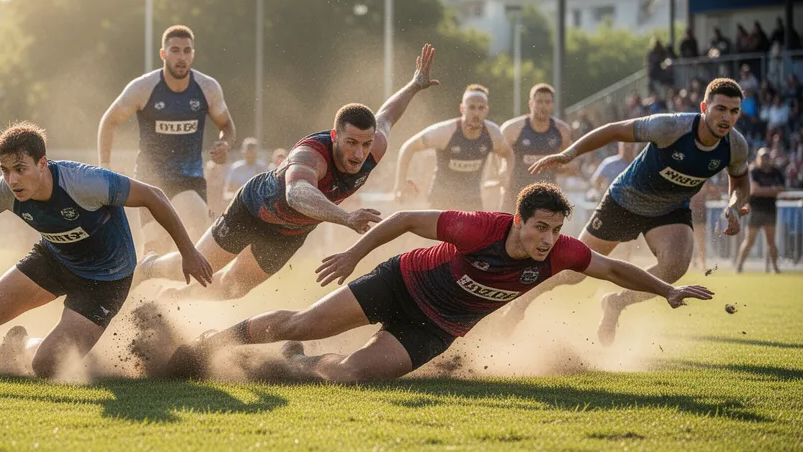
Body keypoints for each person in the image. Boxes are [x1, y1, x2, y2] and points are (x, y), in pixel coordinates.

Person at [173, 183, 712, 382]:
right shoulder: (480, 227)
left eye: (555, 230)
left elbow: (615, 269)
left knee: (352, 376)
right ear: (519, 220)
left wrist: (667, 289)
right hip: (401, 284)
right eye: (540, 227)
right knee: (303, 321)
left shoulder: (563, 253)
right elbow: (407, 219)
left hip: (439, 326)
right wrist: (354, 254)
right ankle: (206, 349)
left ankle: (288, 364)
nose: (548, 238)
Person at [0, 122, 211, 378]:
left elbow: (153, 196)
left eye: (20, 168)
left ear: (42, 164)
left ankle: (17, 346)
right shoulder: (6, 191)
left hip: (107, 282)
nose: (12, 179)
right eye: (4, 170)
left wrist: (188, 252)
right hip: (56, 259)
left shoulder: (84, 182)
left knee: (47, 366)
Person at [133, 44, 440, 302]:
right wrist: (345, 217)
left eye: (365, 143)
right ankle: (149, 266)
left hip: (288, 233)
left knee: (230, 289)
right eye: (351, 143)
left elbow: (386, 114)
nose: (359, 153)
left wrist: (414, 85)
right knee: (198, 268)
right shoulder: (311, 155)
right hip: (253, 209)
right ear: (335, 137)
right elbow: (297, 194)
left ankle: (169, 304)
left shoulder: (375, 145)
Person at [497, 78, 750, 344]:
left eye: (734, 111)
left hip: (670, 209)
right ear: (704, 107)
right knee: (571, 272)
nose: (727, 118)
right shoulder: (670, 126)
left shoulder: (736, 145)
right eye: (720, 109)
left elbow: (741, 180)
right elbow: (614, 130)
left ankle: (616, 303)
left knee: (675, 265)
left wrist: (734, 205)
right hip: (625, 201)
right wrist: (569, 154)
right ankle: (520, 303)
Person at [97, 25, 236, 255]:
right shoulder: (143, 87)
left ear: (193, 54)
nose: (181, 57)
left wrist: (225, 144)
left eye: (186, 51)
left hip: (188, 179)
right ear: (163, 54)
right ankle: (146, 287)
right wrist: (104, 168)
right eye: (175, 50)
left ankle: (192, 292)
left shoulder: (207, 88)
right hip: (151, 182)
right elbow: (109, 121)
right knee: (155, 252)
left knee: (199, 235)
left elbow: (226, 125)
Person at [393, 84, 513, 211]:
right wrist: (400, 183)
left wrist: (505, 172)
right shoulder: (445, 132)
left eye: (481, 108)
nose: (476, 113)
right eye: (471, 107)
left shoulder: (492, 133)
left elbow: (508, 153)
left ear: (486, 110)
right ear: (462, 109)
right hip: (442, 201)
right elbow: (408, 147)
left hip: (473, 201)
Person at [500, 84, 573, 210]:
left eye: (547, 102)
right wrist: (502, 174)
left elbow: (570, 163)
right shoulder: (513, 129)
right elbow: (496, 156)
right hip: (515, 196)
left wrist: (559, 166)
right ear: (530, 104)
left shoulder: (562, 130)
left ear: (552, 105)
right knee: (508, 228)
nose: (543, 106)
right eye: (539, 101)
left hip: (546, 198)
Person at [735, 148, 785, 273]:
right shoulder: (754, 171)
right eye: (762, 157)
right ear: (758, 158)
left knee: (771, 242)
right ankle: (739, 266)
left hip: (770, 210)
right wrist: (772, 191)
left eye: (767, 157)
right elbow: (755, 190)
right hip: (755, 210)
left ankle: (775, 267)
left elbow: (781, 188)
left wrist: (765, 191)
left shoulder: (776, 172)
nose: (765, 160)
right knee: (749, 241)